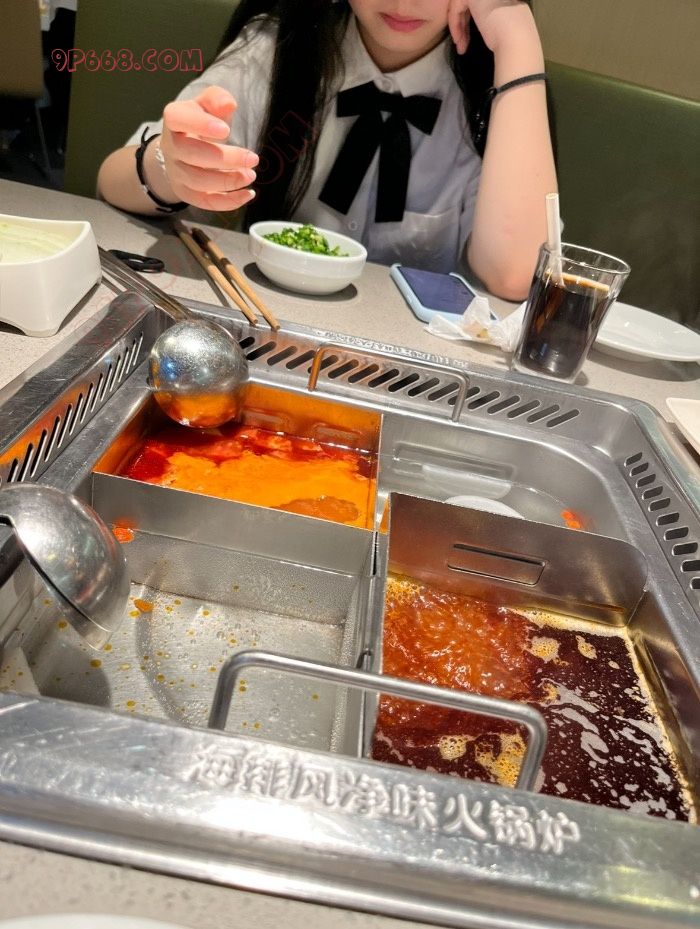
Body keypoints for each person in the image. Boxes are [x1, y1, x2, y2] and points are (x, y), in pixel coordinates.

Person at [97, 0, 556, 300]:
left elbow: (514, 276)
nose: (404, 2)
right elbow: (111, 181)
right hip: (265, 326)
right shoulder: (281, 46)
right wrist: (171, 168)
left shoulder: (490, 95)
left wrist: (517, 39)